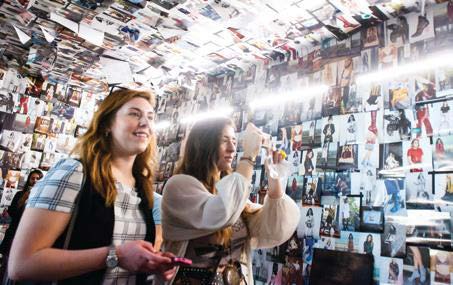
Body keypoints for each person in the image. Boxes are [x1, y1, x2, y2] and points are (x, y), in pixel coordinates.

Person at [8, 89, 176, 283]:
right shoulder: (74, 173)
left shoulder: (143, 188)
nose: (146, 123)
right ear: (106, 124)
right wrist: (116, 256)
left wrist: (152, 265)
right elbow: (22, 265)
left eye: (150, 117)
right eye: (134, 114)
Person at [160, 119, 299, 285]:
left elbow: (273, 227)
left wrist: (273, 173)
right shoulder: (179, 186)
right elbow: (222, 212)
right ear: (202, 143)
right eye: (224, 141)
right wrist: (248, 157)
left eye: (234, 141)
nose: (232, 149)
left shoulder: (230, 194)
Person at [0, 169, 43, 282]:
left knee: (19, 267)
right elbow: (12, 212)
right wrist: (23, 199)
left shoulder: (42, 196)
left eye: (38, 179)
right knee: (6, 263)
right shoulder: (20, 194)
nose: (35, 181)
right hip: (14, 232)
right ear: (28, 179)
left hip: (28, 237)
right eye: (32, 178)